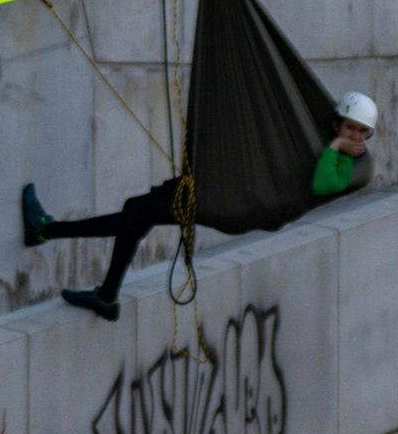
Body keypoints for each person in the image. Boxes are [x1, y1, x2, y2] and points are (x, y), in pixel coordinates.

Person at [22, 91, 378, 321]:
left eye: (362, 133)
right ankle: (107, 296)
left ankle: (45, 230)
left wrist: (337, 148)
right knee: (136, 211)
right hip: (230, 188)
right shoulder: (325, 137)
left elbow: (321, 183)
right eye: (351, 128)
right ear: (337, 122)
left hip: (231, 201)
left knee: (133, 216)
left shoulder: (346, 163)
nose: (356, 137)